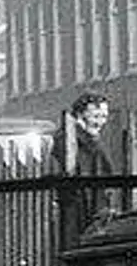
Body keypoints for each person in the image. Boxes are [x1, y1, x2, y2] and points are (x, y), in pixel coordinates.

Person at [50, 90, 117, 237]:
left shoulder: (90, 141)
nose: (101, 122)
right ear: (80, 116)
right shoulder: (68, 141)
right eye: (95, 116)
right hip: (78, 211)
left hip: (91, 210)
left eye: (104, 116)